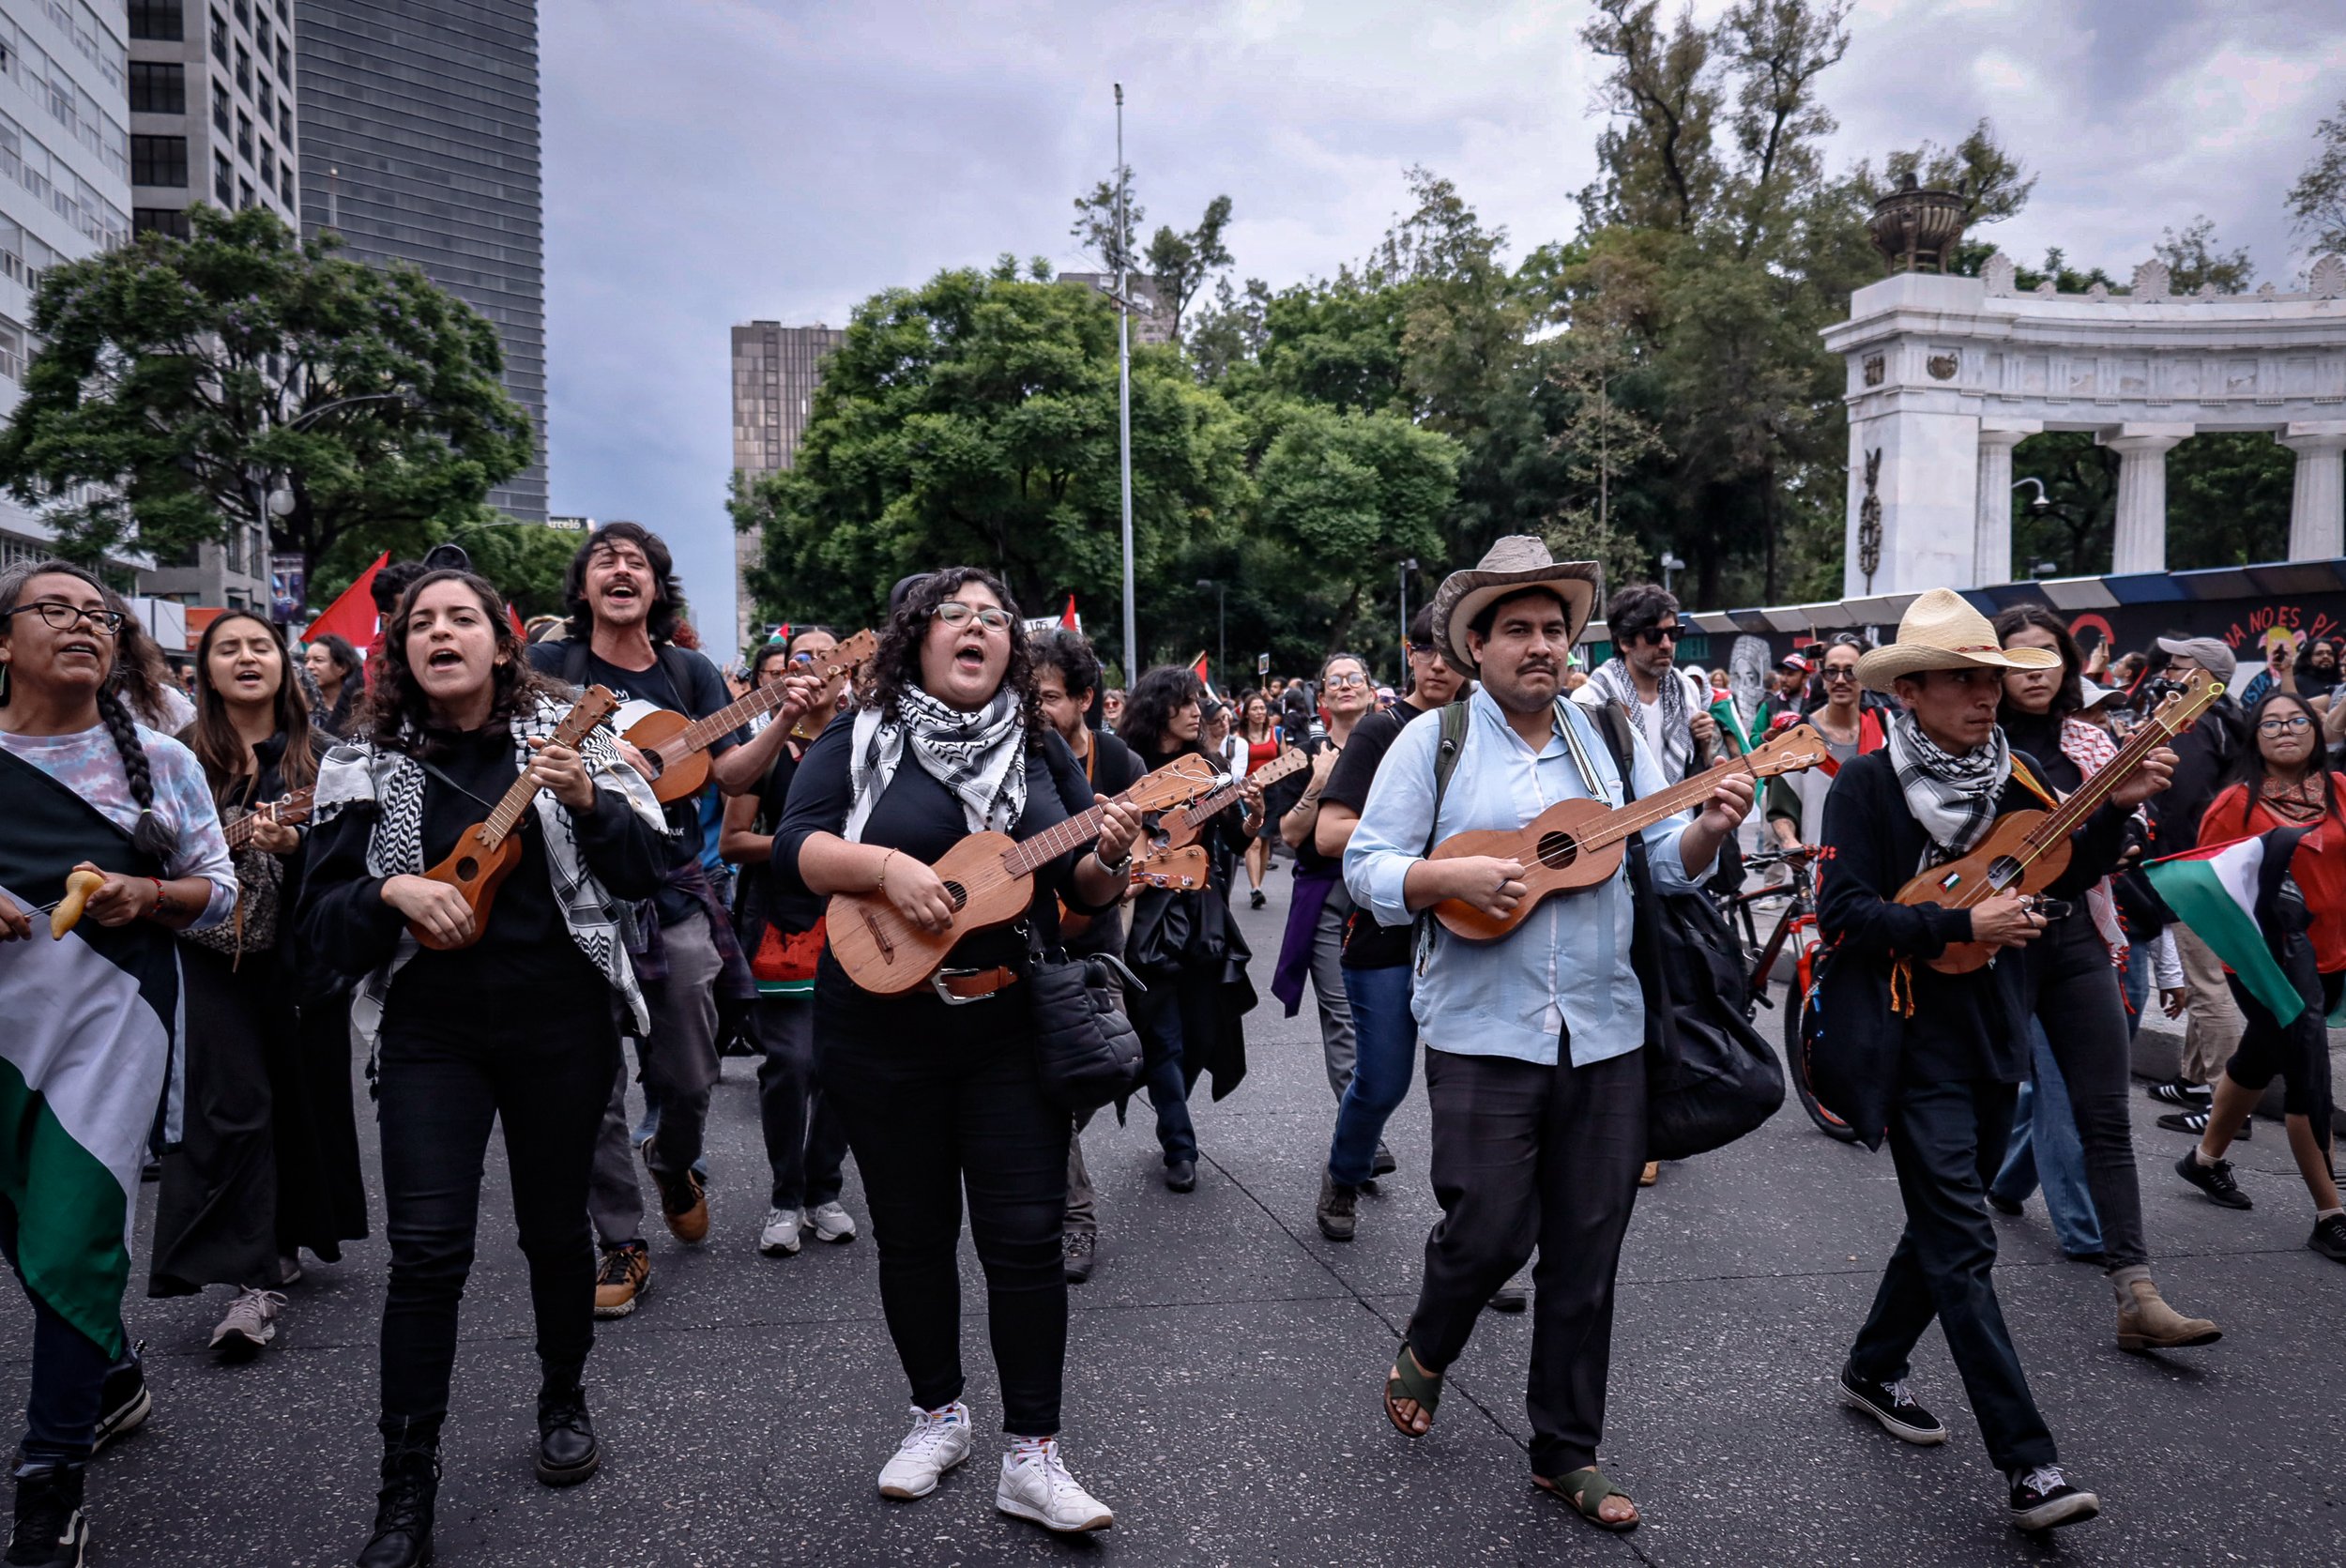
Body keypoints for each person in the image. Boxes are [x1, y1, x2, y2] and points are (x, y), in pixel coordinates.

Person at [1346, 539, 1750, 1532]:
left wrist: (1709, 826)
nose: (1540, 645)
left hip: (1607, 1029)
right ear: (1476, 645)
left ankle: (1566, 1450)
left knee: (1586, 1249)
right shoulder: (1433, 741)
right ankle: (1433, 1337)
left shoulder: (1608, 736)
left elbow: (1661, 859)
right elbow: (1366, 864)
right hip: (1481, 1028)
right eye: (1518, 629)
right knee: (1488, 1227)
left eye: (1555, 629)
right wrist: (1445, 878)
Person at [298, 570, 669, 1567]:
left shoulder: (575, 737)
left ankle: (563, 1397)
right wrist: (389, 895)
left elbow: (649, 871)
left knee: (555, 1230)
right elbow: (318, 929)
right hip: (431, 1033)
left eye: (462, 618)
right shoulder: (361, 762)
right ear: (399, 650)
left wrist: (590, 800)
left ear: (503, 644)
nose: (441, 633)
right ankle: (404, 1484)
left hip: (561, 1023)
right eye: (420, 622)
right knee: (426, 1254)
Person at [775, 567, 1138, 1533]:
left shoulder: (1039, 746)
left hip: (1008, 1027)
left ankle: (1033, 1456)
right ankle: (936, 1416)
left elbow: (1082, 888)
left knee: (1024, 1241)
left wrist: (1110, 854)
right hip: (878, 1027)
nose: (976, 626)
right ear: (917, 636)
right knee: (913, 1236)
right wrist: (885, 868)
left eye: (993, 618)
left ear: (1010, 648)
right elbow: (796, 845)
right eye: (955, 614)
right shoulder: (862, 734)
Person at [1809, 588, 2171, 1533]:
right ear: (1910, 690)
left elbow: (2065, 869)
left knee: (1947, 1219)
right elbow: (1842, 913)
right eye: (1962, 680)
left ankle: (1872, 1365)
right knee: (1965, 1244)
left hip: (1993, 1026)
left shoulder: (2019, 772)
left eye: (1992, 680)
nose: (1985, 696)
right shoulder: (1867, 783)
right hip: (1906, 1036)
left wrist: (2113, 810)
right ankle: (2029, 1464)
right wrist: (1957, 924)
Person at [0, 561, 236, 1568]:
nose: (84, 626)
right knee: (20, 1224)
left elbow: (218, 888)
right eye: (54, 610)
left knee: (70, 1239)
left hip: (110, 1030)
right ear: (3, 640)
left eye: (99, 615)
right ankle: (111, 1373)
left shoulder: (162, 761)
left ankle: (49, 1483)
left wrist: (151, 895)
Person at [526, 522, 793, 1317]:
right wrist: (607, 765)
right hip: (571, 890)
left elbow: (731, 770)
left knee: (689, 1067)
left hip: (671, 888)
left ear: (655, 586)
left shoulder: (689, 672)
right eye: (605, 560)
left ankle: (673, 1159)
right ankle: (621, 1239)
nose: (620, 569)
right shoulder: (548, 666)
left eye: (636, 561)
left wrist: (783, 717)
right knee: (589, 1082)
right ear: (583, 587)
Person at [1975, 605, 2217, 1347]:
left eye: (2050, 655)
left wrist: (2120, 814)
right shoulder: (1969, 744)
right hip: (1988, 941)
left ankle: (2137, 1294)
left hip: (2076, 932)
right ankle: (1931, 1289)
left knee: (2106, 1115)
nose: (2038, 670)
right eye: (2020, 658)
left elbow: (2106, 853)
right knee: (1979, 1111)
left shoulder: (2092, 742)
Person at [151, 611, 368, 1364]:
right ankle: (254, 1281)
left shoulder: (327, 756)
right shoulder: (176, 755)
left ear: (283, 663)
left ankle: (280, 1241)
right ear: (205, 671)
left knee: (299, 1104)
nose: (246, 658)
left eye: (259, 646)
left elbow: (356, 858)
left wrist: (298, 842)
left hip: (300, 959)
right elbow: (144, 847)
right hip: (207, 957)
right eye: (227, 648)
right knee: (232, 1105)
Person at [1312, 604, 1468, 1242]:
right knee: (1382, 1081)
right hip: (1384, 933)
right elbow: (1328, 835)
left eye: (1452, 652)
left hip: (1471, 929)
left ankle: (1478, 1227)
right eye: (1427, 649)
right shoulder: (1381, 730)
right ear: (1410, 652)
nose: (1439, 664)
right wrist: (1428, 857)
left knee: (1475, 1090)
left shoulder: (1487, 724)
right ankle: (1344, 1173)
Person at [2173, 690, 2346, 1264]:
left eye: (2297, 720)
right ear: (2255, 738)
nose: (2285, 729)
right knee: (2307, 1072)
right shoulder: (2235, 804)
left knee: (2259, 1056)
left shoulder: (2339, 791)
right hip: (2265, 965)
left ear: (2317, 731)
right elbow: (2206, 885)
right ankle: (2330, 1214)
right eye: (2271, 723)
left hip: (2332, 956)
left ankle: (2204, 1160)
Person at [719, 630, 856, 1261]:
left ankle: (824, 1189)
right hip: (783, 922)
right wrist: (807, 850)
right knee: (791, 1065)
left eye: (831, 655)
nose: (818, 666)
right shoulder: (769, 746)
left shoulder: (865, 739)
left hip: (856, 920)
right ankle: (784, 1196)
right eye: (805, 657)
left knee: (841, 1066)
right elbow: (732, 841)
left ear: (848, 667)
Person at [1120, 665, 1263, 1194]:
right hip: (1146, 915)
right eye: (1185, 702)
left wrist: (1252, 819)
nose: (1196, 711)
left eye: (1197, 702)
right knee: (1164, 1036)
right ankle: (1179, 1145)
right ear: (1159, 708)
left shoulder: (1209, 767)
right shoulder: (1127, 763)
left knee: (1202, 1032)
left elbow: (1236, 839)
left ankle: (1167, 1101)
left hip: (1202, 915)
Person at [1030, 629, 1144, 1285]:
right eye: (1031, 696)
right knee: (1052, 1086)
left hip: (1097, 942)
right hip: (1035, 947)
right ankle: (1076, 1215)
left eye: (1049, 697)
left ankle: (1034, 1154)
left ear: (1084, 699)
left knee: (1103, 1070)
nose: (1039, 709)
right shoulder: (1018, 755)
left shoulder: (1118, 759)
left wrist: (1118, 858)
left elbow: (1141, 851)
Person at [1267, 651, 1372, 1135]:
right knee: (1342, 1014)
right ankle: (1361, 1135)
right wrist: (1318, 782)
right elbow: (1290, 835)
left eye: (1355, 678)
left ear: (1369, 688)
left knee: (1391, 1013)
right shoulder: (1303, 755)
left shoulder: (1394, 745)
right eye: (1335, 680)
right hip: (1326, 895)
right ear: (1323, 697)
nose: (1346, 685)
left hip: (1388, 890)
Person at [2141, 636, 2248, 1110]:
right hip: (2219, 861)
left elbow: (2180, 802)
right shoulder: (2228, 714)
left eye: (2176, 665)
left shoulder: (2195, 721)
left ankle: (2224, 1107)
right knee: (2203, 973)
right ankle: (2193, 1080)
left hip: (2194, 866)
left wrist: (2164, 862)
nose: (2166, 671)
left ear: (2201, 675)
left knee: (2207, 984)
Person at [1574, 584, 1717, 782]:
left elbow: (1693, 768)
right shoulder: (1590, 700)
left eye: (1673, 633)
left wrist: (1703, 743)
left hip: (1682, 801)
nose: (1666, 645)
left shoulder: (1686, 690)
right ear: (1625, 642)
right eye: (1653, 635)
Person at [1764, 634, 1884, 853]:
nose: (1840, 680)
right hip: (1820, 865)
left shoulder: (1886, 726)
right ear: (1823, 677)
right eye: (1832, 671)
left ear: (1864, 678)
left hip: (1881, 863)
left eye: (1850, 672)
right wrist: (1789, 841)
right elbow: (1781, 809)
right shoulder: (1798, 738)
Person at [1235, 690, 1280, 908]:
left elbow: (1285, 760)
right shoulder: (1238, 738)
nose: (1260, 712)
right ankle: (1255, 889)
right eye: (1255, 709)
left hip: (1272, 792)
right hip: (1248, 792)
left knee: (1265, 843)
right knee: (1254, 841)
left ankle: (1258, 885)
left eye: (1262, 708)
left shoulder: (1276, 733)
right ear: (1246, 714)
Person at [304, 632, 364, 738]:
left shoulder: (359, 708)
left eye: (318, 660)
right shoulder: (301, 707)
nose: (309, 666)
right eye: (306, 660)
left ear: (342, 667)